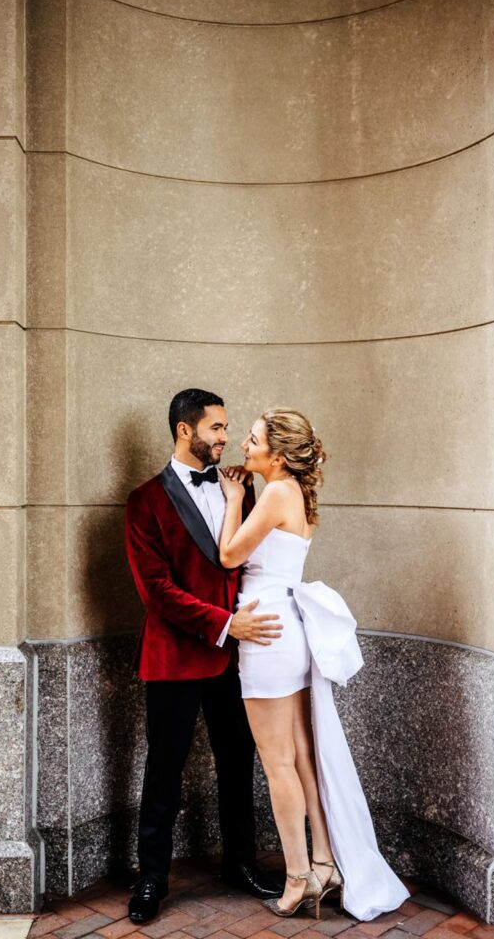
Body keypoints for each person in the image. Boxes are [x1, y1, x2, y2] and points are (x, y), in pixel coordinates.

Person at [217, 407, 409, 921]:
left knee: (278, 763)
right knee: (301, 756)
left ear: (278, 455)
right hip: (287, 629)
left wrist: (235, 497)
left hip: (267, 633)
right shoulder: (292, 492)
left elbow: (230, 556)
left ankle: (298, 877)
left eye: (253, 440)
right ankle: (324, 862)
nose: (244, 446)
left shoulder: (276, 492)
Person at [124, 388, 283, 924]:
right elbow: (156, 590)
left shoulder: (241, 488)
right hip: (173, 657)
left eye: (227, 428)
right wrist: (222, 623)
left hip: (237, 658)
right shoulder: (144, 501)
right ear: (184, 430)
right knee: (164, 770)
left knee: (238, 764)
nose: (224, 438)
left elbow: (254, 561)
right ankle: (152, 877)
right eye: (216, 428)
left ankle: (240, 863)